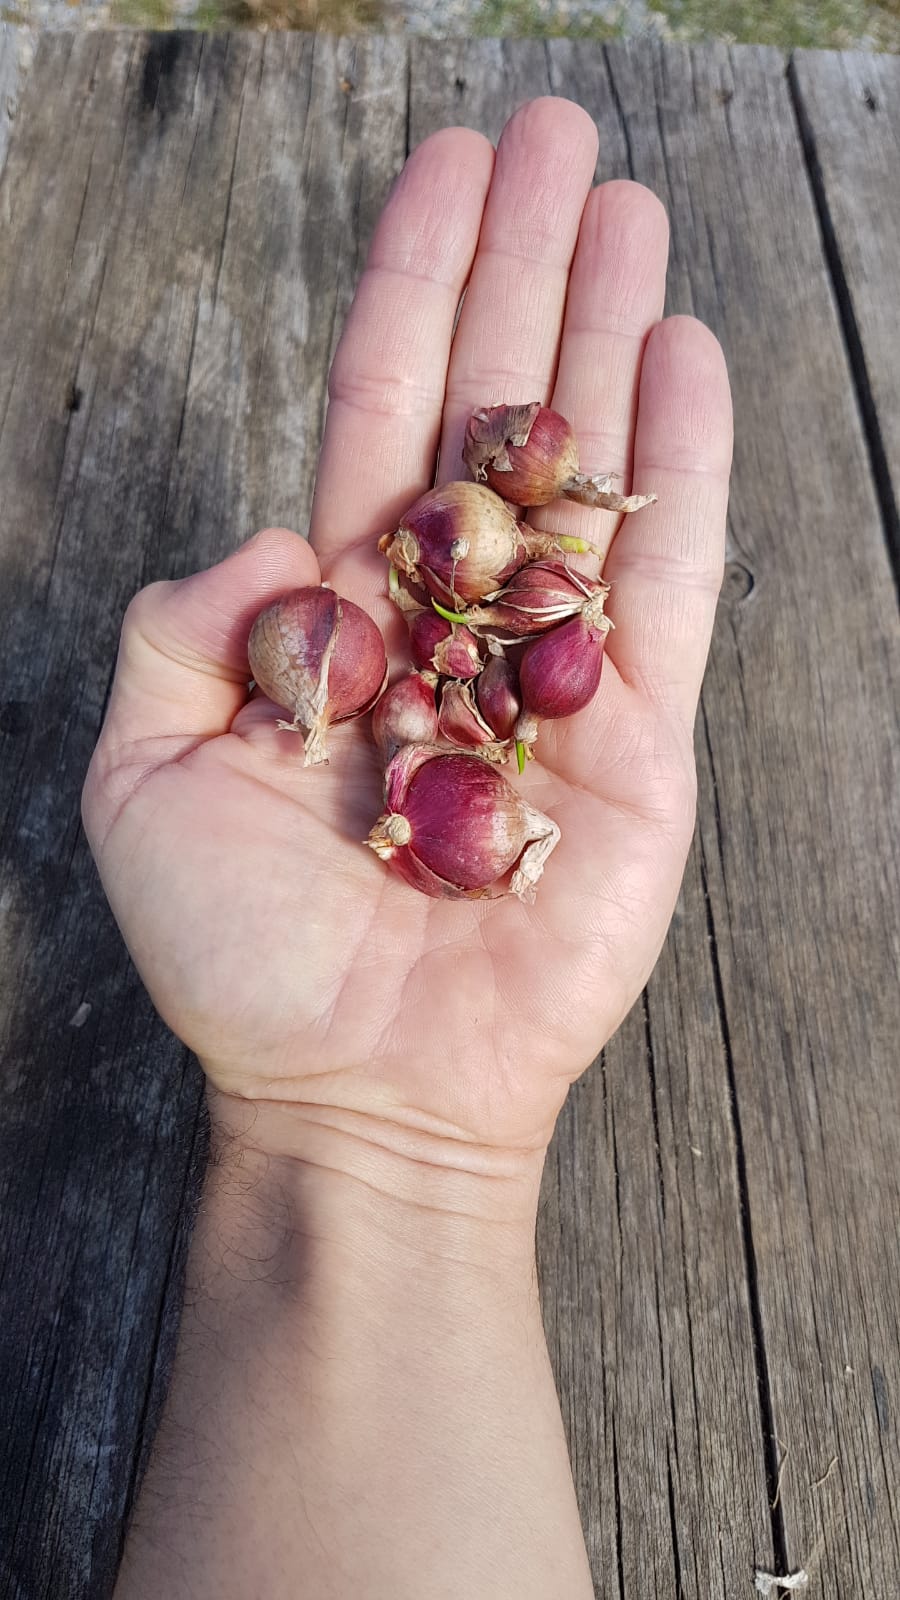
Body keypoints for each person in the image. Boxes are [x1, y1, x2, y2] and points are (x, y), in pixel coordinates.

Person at [83, 95, 732, 1599]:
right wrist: (368, 1136)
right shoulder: (456, 656)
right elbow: (465, 649)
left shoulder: (483, 633)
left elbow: (495, 647)